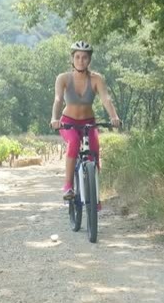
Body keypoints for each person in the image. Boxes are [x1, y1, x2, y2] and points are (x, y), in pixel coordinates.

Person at [50, 41, 121, 200]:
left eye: (84, 58)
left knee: (94, 152)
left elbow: (106, 99)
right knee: (74, 142)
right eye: (77, 57)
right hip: (68, 122)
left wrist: (114, 117)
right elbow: (58, 99)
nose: (81, 60)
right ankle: (68, 187)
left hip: (89, 123)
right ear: (72, 58)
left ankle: (94, 197)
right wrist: (54, 118)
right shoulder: (63, 78)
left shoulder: (96, 79)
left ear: (89, 60)